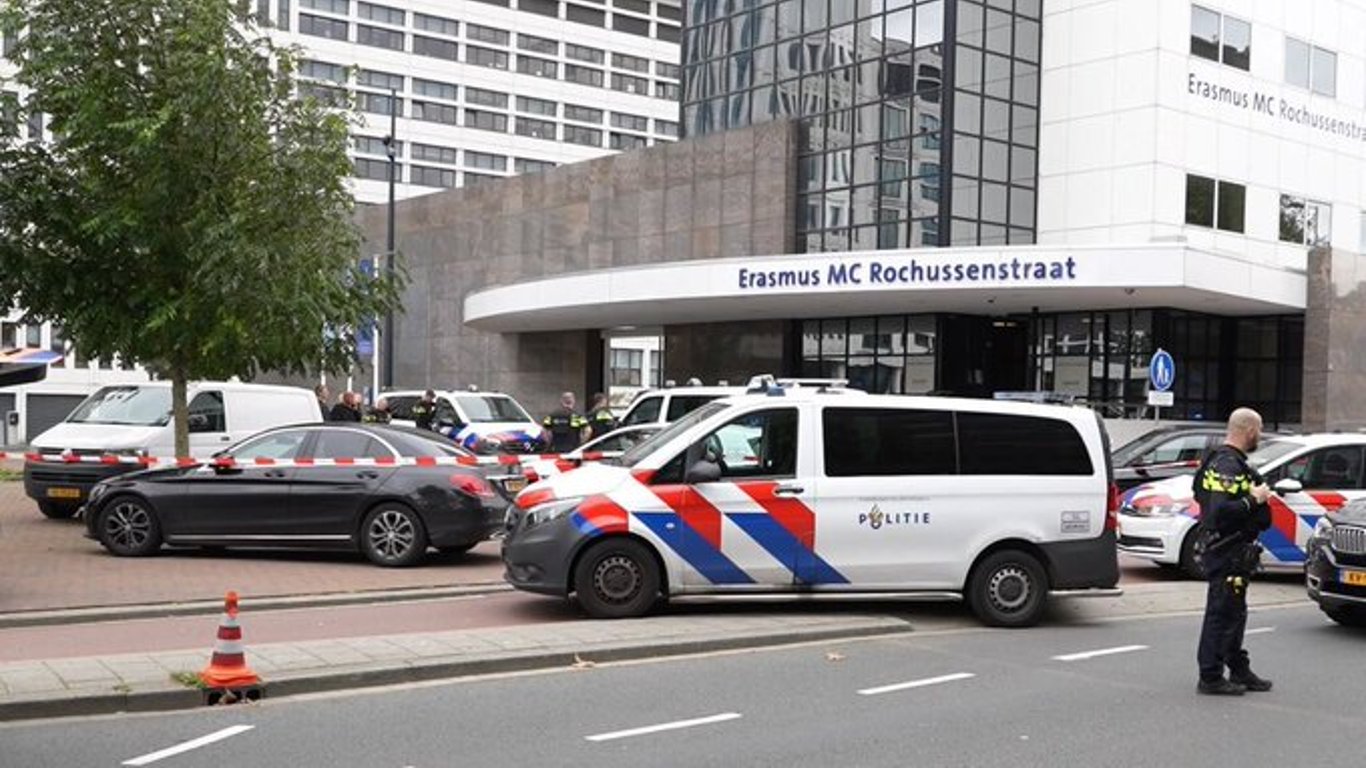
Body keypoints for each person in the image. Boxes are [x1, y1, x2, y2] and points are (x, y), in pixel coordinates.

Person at [1193, 407, 1274, 696]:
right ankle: (1210, 676)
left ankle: (1238, 668)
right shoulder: (1226, 465)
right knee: (1221, 612)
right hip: (1225, 549)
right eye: (1259, 430)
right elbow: (1219, 512)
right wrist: (1254, 500)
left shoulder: (1232, 462)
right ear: (1249, 430)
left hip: (1236, 550)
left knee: (1235, 612)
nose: (1259, 435)